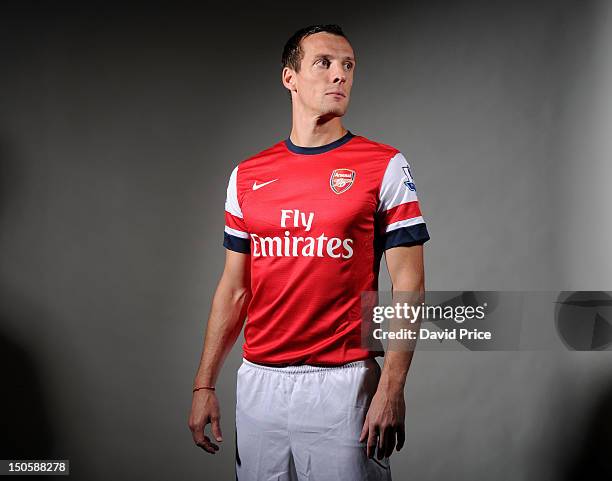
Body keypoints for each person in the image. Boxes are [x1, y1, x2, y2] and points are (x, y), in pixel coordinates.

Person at [188, 24, 430, 481]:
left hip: (345, 383)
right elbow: (234, 289)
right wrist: (204, 382)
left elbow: (410, 284)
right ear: (290, 77)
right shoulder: (246, 175)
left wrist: (393, 386)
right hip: (259, 382)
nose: (339, 75)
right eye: (324, 63)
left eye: (348, 66)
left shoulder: (384, 165)